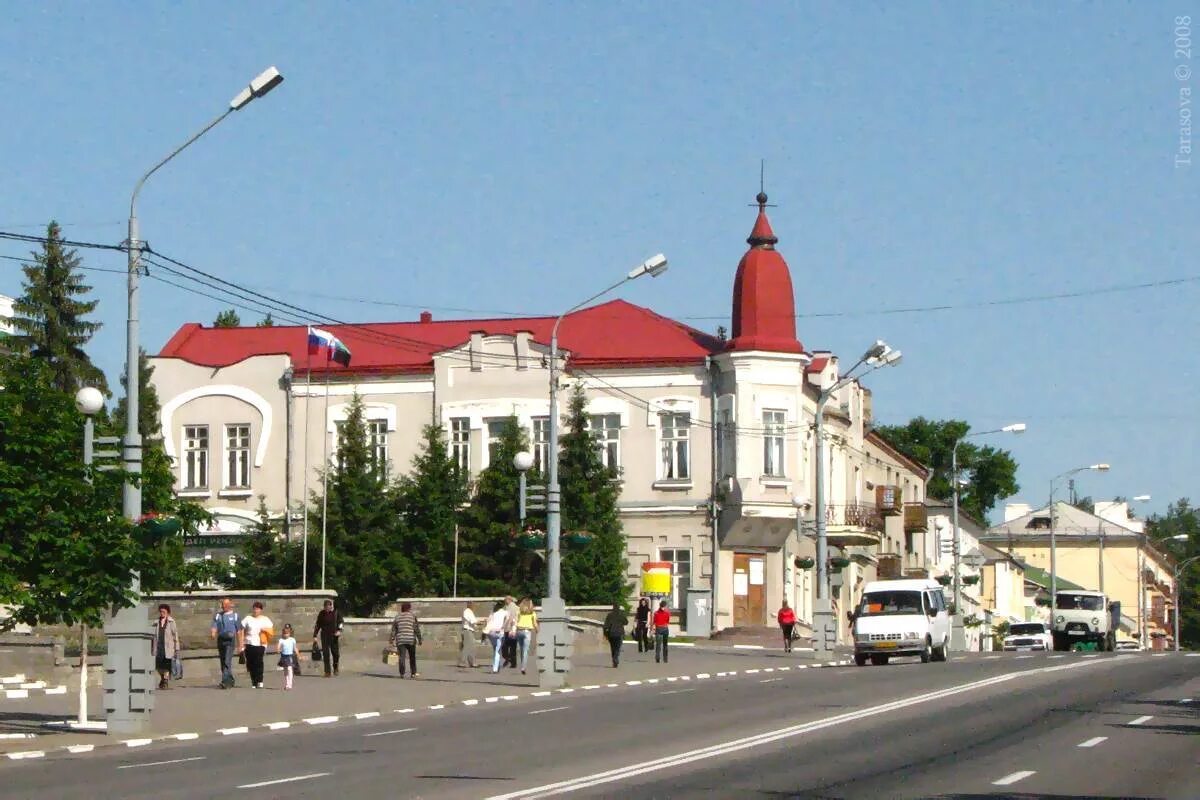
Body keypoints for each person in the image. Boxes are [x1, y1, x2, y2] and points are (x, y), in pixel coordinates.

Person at [209, 598, 243, 689]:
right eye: (223, 604)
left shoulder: (235, 616)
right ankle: (230, 679)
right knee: (223, 661)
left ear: (230, 605)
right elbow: (214, 625)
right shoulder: (218, 615)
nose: (224, 606)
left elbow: (239, 631)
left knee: (227, 661)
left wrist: (241, 645)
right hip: (221, 639)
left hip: (230, 641)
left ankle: (225, 681)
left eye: (226, 604)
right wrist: (213, 633)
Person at [240, 601, 274, 689]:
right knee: (250, 663)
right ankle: (253, 682)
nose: (256, 610)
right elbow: (241, 629)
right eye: (254, 608)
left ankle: (260, 681)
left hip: (260, 644)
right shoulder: (248, 618)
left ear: (261, 610)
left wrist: (264, 629)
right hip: (249, 643)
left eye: (258, 609)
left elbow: (271, 630)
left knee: (258, 662)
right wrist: (242, 643)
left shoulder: (265, 619)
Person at [151, 604, 180, 690]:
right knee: (158, 666)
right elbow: (152, 635)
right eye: (161, 611)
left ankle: (166, 680)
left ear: (168, 612)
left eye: (164, 611)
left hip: (168, 647)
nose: (162, 613)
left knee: (167, 664)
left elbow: (175, 635)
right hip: (158, 646)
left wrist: (176, 648)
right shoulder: (156, 622)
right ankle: (163, 678)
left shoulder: (171, 622)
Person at [312, 599, 344, 678]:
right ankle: (327, 672)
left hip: (334, 635)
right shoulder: (321, 613)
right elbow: (318, 624)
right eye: (325, 607)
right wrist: (315, 635)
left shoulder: (336, 613)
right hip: (325, 635)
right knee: (326, 654)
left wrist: (339, 630)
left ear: (331, 606)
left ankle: (335, 667)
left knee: (335, 653)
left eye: (328, 606)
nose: (327, 608)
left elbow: (341, 623)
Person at [390, 602, 421, 679]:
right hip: (411, 639)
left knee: (401, 657)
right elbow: (416, 629)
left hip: (400, 639)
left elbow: (394, 630)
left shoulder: (397, 617)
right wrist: (419, 639)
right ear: (409, 608)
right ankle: (413, 673)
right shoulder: (412, 616)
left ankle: (402, 673)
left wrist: (391, 639)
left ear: (402, 608)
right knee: (412, 657)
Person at [515, 598, 538, 675]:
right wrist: (538, 630)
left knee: (521, 649)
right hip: (527, 631)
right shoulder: (533, 613)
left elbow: (516, 621)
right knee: (525, 650)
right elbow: (535, 624)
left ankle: (522, 664)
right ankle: (523, 667)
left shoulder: (519, 612)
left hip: (519, 631)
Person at [484, 600, 508, 674]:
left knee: (495, 649)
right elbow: (509, 620)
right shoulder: (505, 612)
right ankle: (495, 668)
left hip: (491, 632)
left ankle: (496, 666)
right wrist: (504, 626)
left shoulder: (493, 612)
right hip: (499, 632)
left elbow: (488, 621)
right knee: (498, 650)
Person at [603, 602, 628, 668]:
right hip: (619, 633)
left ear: (613, 607)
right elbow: (626, 622)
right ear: (619, 608)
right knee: (618, 647)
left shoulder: (610, 615)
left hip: (611, 633)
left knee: (613, 647)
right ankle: (615, 658)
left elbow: (606, 625)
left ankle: (614, 659)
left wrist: (605, 634)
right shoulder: (621, 615)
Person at [278, 623, 299, 690]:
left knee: (290, 669)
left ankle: (290, 684)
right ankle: (287, 683)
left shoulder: (292, 640)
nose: (286, 635)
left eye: (287, 633)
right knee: (285, 670)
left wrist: (298, 655)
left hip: (290, 656)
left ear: (289, 633)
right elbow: (278, 646)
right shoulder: (281, 640)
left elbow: (295, 648)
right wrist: (278, 649)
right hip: (284, 656)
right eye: (284, 633)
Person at [459, 601, 479, 669]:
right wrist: (481, 622)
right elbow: (472, 621)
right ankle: (463, 662)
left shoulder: (469, 611)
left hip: (469, 630)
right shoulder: (467, 611)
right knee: (467, 647)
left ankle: (472, 662)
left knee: (472, 647)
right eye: (473, 605)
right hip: (467, 631)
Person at [502, 595, 520, 669]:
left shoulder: (511, 607)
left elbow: (509, 618)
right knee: (511, 646)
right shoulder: (508, 607)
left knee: (506, 646)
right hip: (512, 629)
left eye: (505, 600)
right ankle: (512, 662)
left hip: (510, 629)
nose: (504, 601)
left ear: (509, 600)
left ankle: (509, 659)